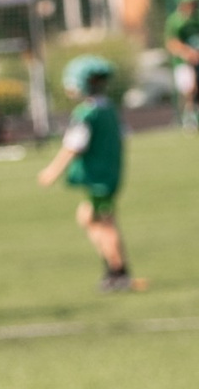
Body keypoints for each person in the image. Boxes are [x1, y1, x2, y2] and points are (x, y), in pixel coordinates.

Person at [34, 56, 134, 294]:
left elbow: (73, 146)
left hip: (100, 179)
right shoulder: (108, 108)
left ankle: (118, 273)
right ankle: (114, 270)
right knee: (90, 218)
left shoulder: (87, 113)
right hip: (108, 175)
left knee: (103, 222)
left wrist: (52, 171)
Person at [164, 0, 199, 132]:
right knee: (189, 90)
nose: (191, 5)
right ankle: (190, 117)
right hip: (183, 62)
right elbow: (171, 43)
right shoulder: (174, 21)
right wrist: (187, 53)